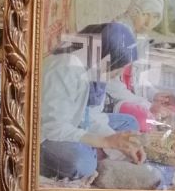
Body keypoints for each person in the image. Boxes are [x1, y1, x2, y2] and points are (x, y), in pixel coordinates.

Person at [39, 23, 146, 182]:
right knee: (83, 163)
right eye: (118, 67)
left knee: (129, 123)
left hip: (74, 124)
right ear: (104, 56)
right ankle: (92, 155)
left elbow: (91, 115)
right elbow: (53, 128)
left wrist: (120, 144)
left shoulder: (94, 69)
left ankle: (95, 152)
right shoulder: (64, 68)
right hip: (44, 136)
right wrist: (107, 142)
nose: (119, 73)